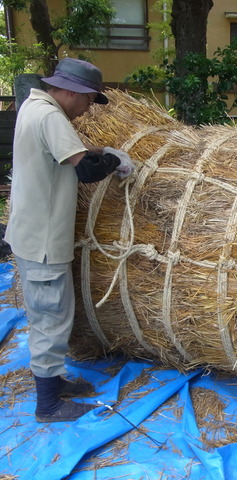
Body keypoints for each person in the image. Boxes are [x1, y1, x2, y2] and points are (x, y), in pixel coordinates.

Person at [5, 58, 135, 423]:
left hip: (31, 233)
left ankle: (55, 383)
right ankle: (48, 405)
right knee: (51, 316)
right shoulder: (51, 116)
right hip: (43, 240)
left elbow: (68, 153)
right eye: (90, 99)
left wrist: (101, 152)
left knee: (50, 312)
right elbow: (85, 170)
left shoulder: (34, 106)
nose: (89, 108)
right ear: (70, 91)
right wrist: (113, 162)